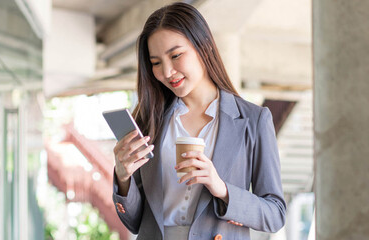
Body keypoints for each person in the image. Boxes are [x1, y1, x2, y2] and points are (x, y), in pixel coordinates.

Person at [111, 2, 286, 239]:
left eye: (176, 55)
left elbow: (275, 214)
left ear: (203, 47)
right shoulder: (149, 120)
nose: (168, 71)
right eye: (156, 63)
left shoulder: (253, 120)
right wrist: (123, 178)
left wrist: (222, 189)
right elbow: (135, 222)